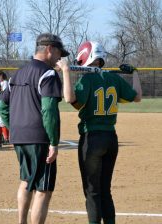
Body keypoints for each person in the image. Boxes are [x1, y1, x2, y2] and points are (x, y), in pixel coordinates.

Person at [57, 41, 142, 224]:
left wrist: (65, 70)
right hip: (111, 138)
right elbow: (137, 96)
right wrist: (134, 73)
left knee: (92, 191)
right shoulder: (114, 78)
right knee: (105, 189)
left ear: (85, 57)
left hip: (92, 138)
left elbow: (70, 99)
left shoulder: (87, 79)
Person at [0, 33, 69, 224]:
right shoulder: (48, 74)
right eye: (58, 53)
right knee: (43, 190)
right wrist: (53, 142)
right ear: (49, 49)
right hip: (40, 138)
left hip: (19, 137)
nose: (59, 58)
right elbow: (48, 110)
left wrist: (13, 128)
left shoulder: (18, 73)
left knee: (26, 180)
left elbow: (1, 107)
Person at [0, 70, 9, 144]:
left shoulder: (5, 83)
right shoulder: (0, 83)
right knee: (1, 122)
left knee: (3, 121)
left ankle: (6, 138)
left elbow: (3, 94)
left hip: (4, 104)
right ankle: (5, 137)